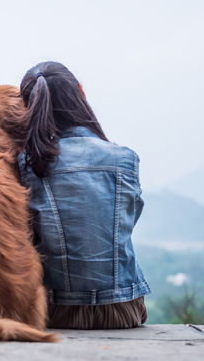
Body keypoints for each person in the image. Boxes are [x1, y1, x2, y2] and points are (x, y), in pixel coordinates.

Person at [16, 61, 150, 329]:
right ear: (81, 92)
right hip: (124, 310)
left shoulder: (26, 166)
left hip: (54, 311)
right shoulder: (124, 159)